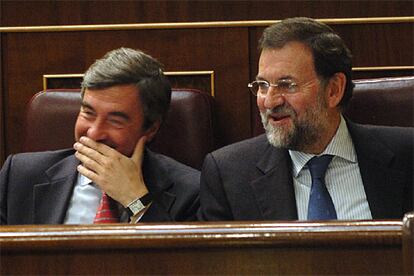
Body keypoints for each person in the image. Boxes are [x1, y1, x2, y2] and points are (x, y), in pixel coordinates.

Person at [198, 17, 413, 221]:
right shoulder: (229, 176)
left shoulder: (407, 156)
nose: (270, 102)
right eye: (262, 85)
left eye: (287, 85)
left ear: (333, 90)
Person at [0, 47, 199, 224]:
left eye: (115, 120)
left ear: (150, 129)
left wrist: (136, 200)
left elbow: (176, 264)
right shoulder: (20, 176)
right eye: (88, 112)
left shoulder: (190, 191)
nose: (94, 133)